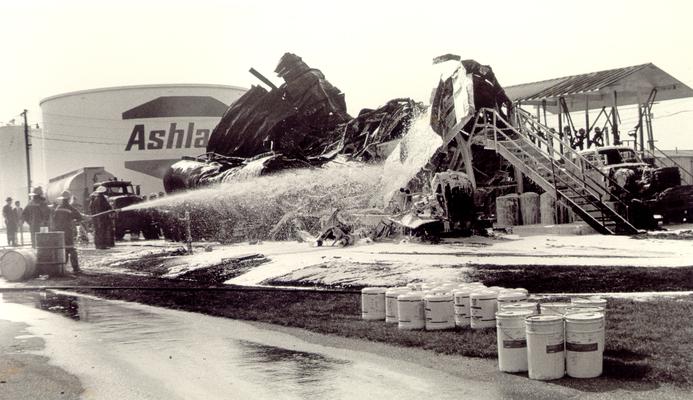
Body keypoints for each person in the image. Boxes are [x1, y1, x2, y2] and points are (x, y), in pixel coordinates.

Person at [51, 190, 83, 274]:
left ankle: (62, 268)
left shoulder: (58, 208)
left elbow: (54, 219)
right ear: (69, 199)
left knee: (63, 249)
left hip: (59, 232)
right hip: (68, 231)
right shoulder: (70, 208)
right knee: (71, 249)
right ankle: (76, 269)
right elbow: (79, 217)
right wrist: (75, 220)